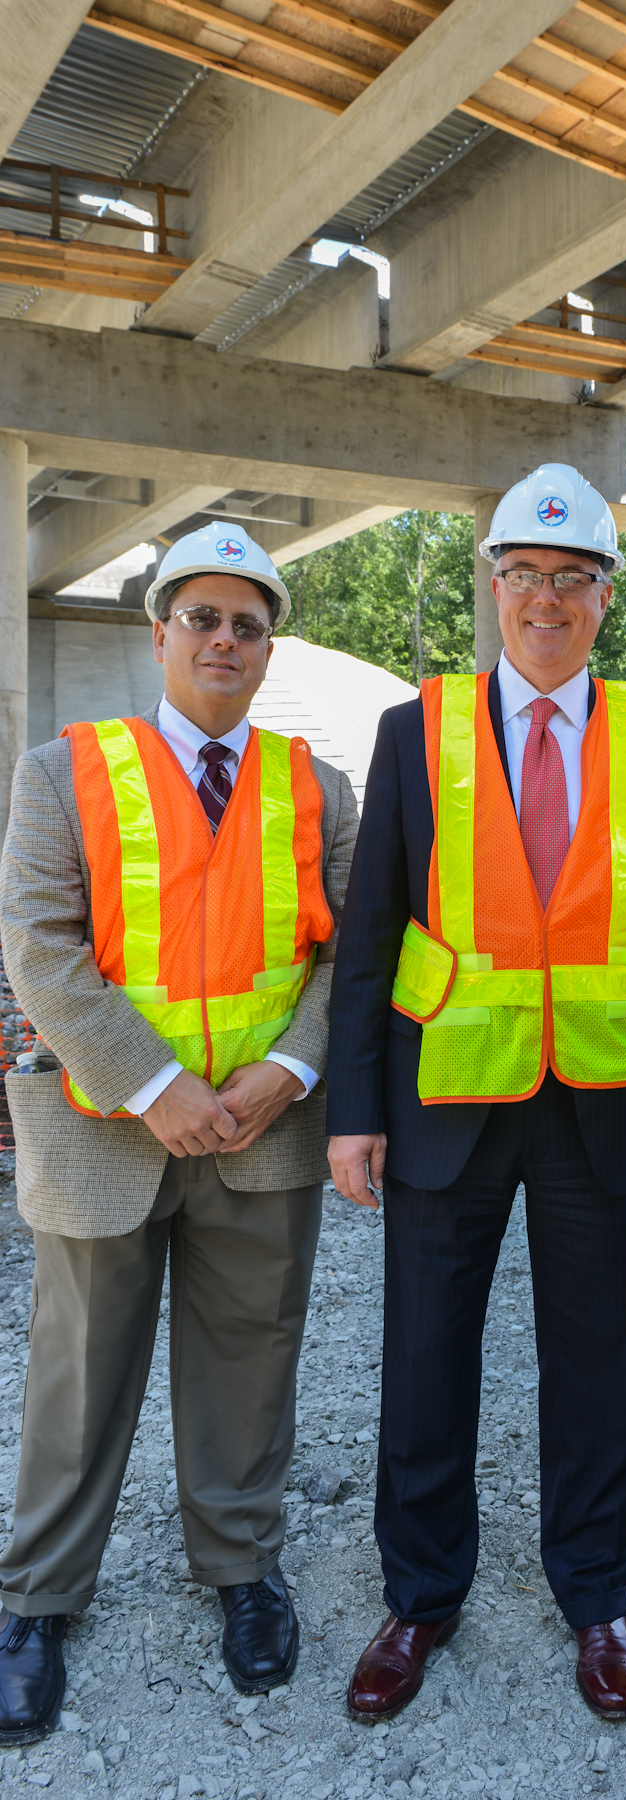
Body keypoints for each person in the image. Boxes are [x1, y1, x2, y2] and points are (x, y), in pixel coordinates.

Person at [326, 463, 626, 1724]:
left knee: (602, 1363)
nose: (547, 599)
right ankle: (421, 1595)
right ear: (494, 588)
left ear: (607, 596)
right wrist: (354, 1110)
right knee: (427, 1359)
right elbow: (371, 930)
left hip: (603, 1099)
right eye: (526, 576)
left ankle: (596, 1591)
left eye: (575, 578)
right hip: (448, 1100)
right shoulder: (414, 731)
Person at [0, 522, 358, 1741]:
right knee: (78, 1372)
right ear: (158, 633)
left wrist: (292, 1065)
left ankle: (241, 1570)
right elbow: (40, 947)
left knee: (252, 1363)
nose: (222, 639)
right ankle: (39, 1599)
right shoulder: (63, 772)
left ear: (269, 648)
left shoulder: (319, 786)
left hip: (263, 1127)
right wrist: (156, 1084)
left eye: (246, 624)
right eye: (199, 617)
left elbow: (350, 950)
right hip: (108, 1128)